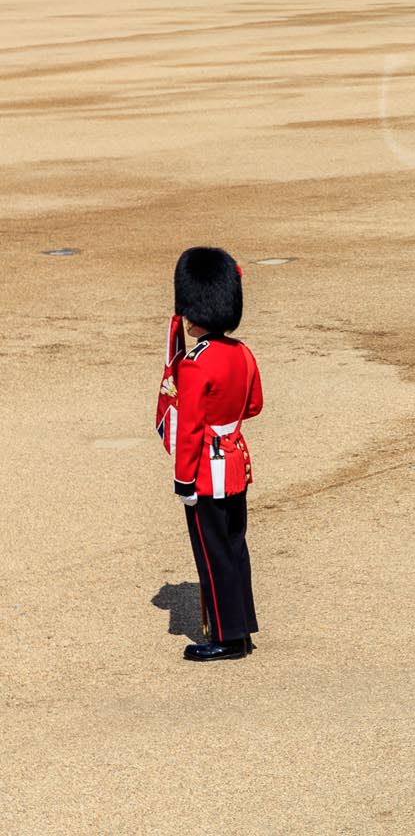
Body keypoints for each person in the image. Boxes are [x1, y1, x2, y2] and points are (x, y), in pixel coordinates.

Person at [164, 247, 264, 662]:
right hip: (236, 464)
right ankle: (241, 628)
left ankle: (225, 637)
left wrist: (183, 480)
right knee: (235, 548)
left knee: (212, 555)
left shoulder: (195, 364)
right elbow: (254, 406)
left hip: (206, 469)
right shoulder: (241, 352)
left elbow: (188, 428)